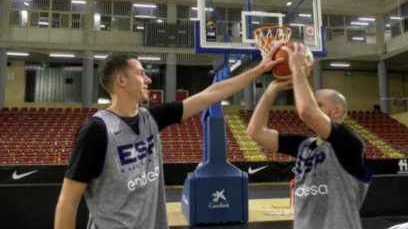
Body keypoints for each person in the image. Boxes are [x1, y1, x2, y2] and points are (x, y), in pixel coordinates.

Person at [54, 51, 282, 229]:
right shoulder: (96, 130)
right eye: (141, 73)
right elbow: (68, 200)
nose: (148, 79)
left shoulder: (151, 118)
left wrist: (260, 69)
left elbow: (211, 94)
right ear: (121, 80)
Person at [247, 42, 371, 229]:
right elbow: (255, 132)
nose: (313, 106)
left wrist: (297, 68)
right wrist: (270, 92)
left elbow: (306, 111)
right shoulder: (304, 145)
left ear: (336, 111)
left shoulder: (350, 142)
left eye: (318, 104)